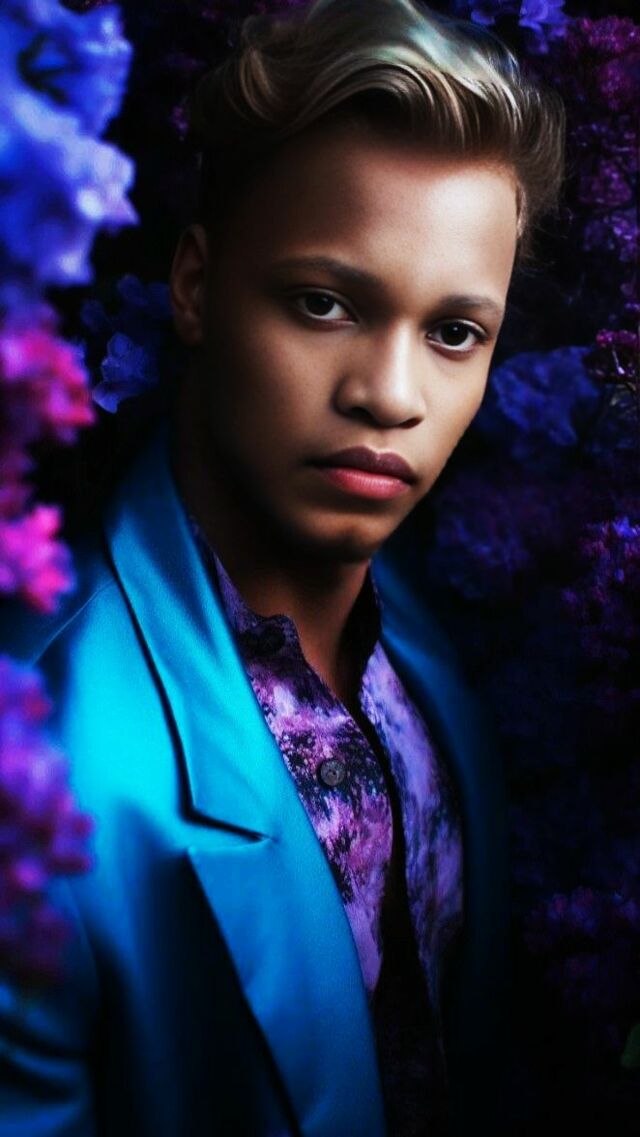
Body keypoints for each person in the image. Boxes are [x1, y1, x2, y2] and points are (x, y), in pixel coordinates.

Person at [0, 0, 564, 1134]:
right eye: (323, 303)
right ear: (195, 286)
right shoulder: (42, 765)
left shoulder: (424, 651)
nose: (390, 396)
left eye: (454, 333)